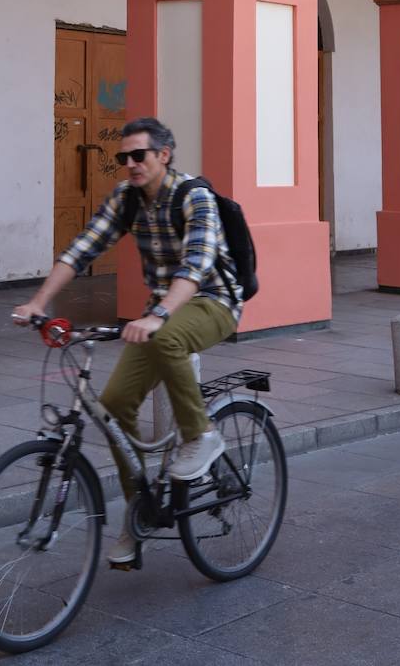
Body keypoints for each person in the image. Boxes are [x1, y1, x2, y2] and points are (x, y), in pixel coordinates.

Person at [13, 116, 242, 566]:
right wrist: (39, 302)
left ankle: (203, 436)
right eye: (124, 158)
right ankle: (140, 510)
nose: (131, 164)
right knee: (115, 408)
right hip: (166, 310)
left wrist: (157, 315)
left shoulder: (193, 195)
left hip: (214, 302)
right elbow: (83, 248)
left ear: (163, 155)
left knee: (168, 338)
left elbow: (195, 265)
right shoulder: (127, 198)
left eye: (139, 155)